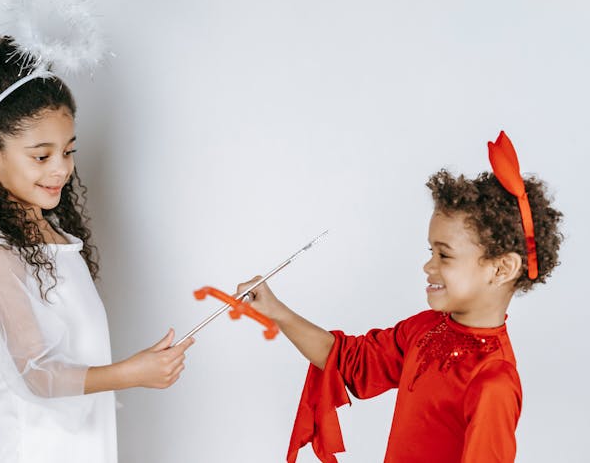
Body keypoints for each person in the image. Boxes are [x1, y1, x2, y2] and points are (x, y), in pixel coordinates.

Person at [0, 36, 194, 463]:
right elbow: (36, 375)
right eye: (41, 156)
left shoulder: (55, 242)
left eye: (68, 150)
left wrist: (137, 367)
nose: (61, 168)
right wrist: (132, 372)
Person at [237, 133, 563, 462]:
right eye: (430, 251)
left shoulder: (493, 381)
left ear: (502, 268)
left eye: (445, 256)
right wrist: (277, 310)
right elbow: (349, 362)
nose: (428, 265)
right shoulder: (424, 329)